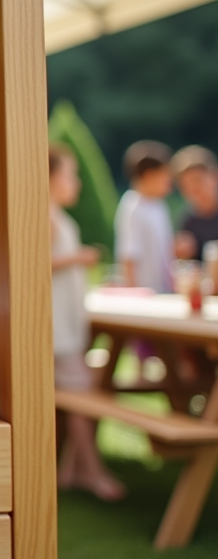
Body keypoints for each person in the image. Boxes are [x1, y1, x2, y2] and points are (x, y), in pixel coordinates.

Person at [49, 143, 126, 501]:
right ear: (50, 178)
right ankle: (92, 472)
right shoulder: (47, 217)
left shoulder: (59, 216)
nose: (76, 183)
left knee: (80, 394)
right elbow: (35, 262)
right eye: (70, 174)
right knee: (82, 396)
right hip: (58, 331)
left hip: (66, 327)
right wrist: (77, 257)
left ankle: (72, 470)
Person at [114, 140, 174, 293]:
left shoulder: (159, 205)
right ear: (149, 176)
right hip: (146, 295)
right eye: (165, 176)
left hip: (163, 291)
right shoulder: (132, 207)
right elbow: (129, 257)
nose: (169, 183)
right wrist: (135, 295)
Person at [171, 145, 218, 261]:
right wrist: (181, 254)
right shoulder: (187, 221)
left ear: (214, 176)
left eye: (197, 180)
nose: (193, 189)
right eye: (186, 185)